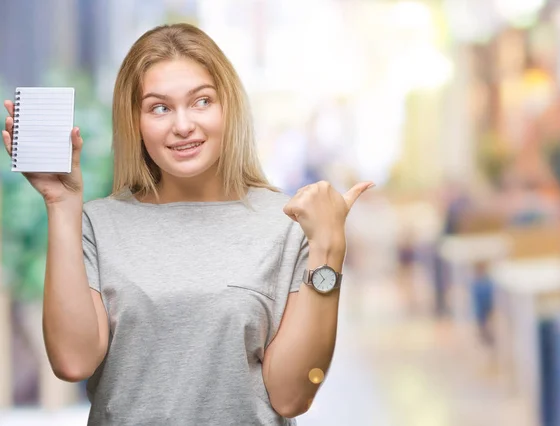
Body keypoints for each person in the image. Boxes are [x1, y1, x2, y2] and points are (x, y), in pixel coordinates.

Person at [2, 23, 373, 425]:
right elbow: (73, 361)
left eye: (201, 101)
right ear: (136, 122)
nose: (182, 125)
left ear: (227, 106)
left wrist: (329, 251)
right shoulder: (97, 223)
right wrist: (60, 203)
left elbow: (292, 395)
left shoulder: (287, 224)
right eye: (159, 107)